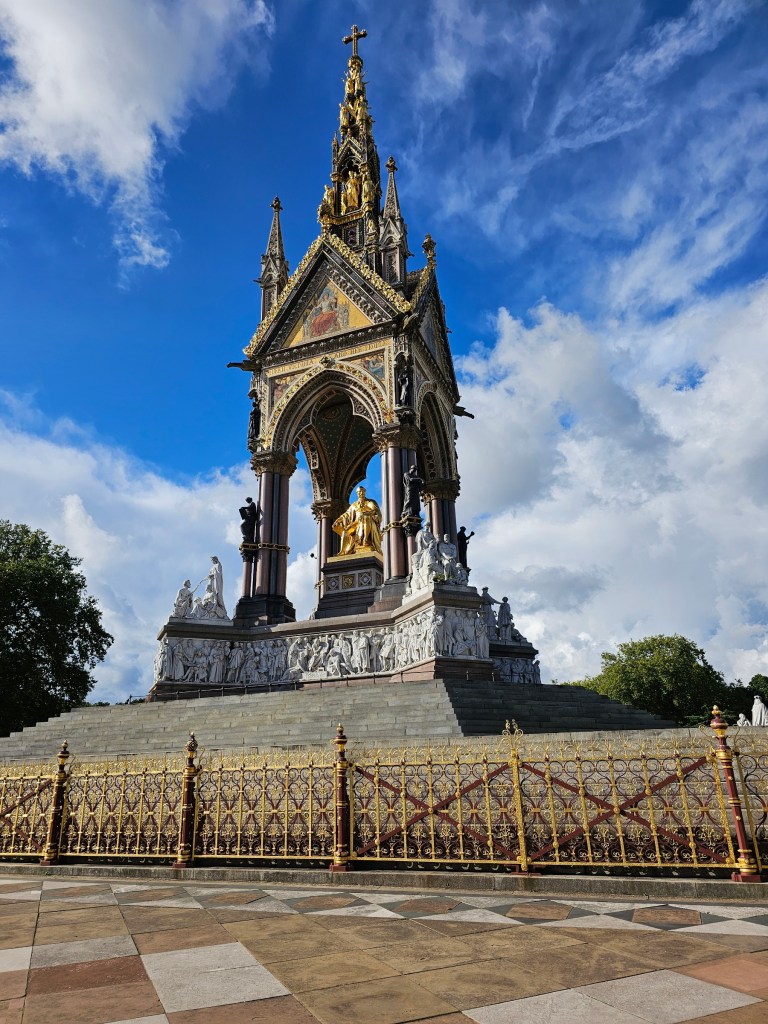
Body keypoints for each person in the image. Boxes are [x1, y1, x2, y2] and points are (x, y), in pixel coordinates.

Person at [332, 486, 383, 555]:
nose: (360, 493)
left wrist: (365, 514)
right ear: (357, 493)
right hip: (356, 523)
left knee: (365, 518)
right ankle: (343, 551)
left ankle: (365, 540)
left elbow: (375, 511)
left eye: (362, 491)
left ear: (364, 492)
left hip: (367, 521)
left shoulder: (370, 502)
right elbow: (347, 514)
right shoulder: (354, 505)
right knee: (345, 532)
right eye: (359, 492)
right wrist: (338, 520)